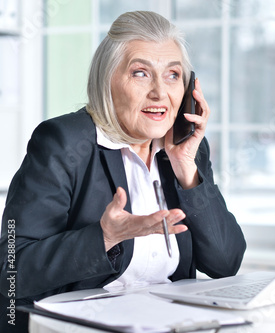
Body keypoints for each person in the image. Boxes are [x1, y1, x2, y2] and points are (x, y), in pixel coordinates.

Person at [0, 11, 246, 332]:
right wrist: (104, 237)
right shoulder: (63, 142)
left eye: (173, 75)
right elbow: (11, 271)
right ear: (107, 81)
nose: (160, 92)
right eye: (141, 73)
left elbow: (225, 264)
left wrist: (187, 168)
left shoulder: (188, 149)